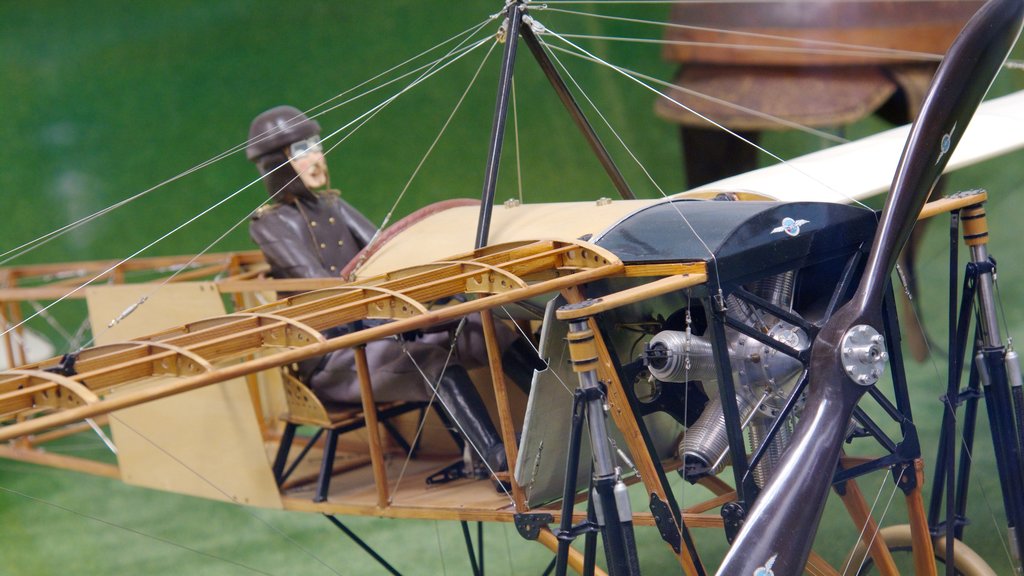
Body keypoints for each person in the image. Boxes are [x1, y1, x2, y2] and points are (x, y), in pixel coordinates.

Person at [246, 105, 539, 473]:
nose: (317, 157)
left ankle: (561, 416)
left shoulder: (333, 204)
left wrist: (432, 288)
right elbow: (324, 289)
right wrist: (398, 315)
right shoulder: (271, 226)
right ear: (277, 163)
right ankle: (492, 458)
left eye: (316, 145)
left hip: (384, 334)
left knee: (491, 332)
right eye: (303, 150)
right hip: (334, 354)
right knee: (433, 361)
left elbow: (385, 251)